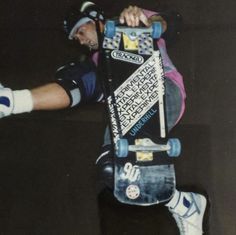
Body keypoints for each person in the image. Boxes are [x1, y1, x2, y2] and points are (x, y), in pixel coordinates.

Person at [0, 1, 207, 234]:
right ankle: (186, 205)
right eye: (75, 38)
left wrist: (147, 23)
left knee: (118, 79)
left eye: (81, 31)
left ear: (96, 19)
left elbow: (171, 21)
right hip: (127, 111)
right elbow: (73, 91)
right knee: (112, 171)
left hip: (164, 91)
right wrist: (12, 103)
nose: (80, 40)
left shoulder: (128, 20)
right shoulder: (98, 63)